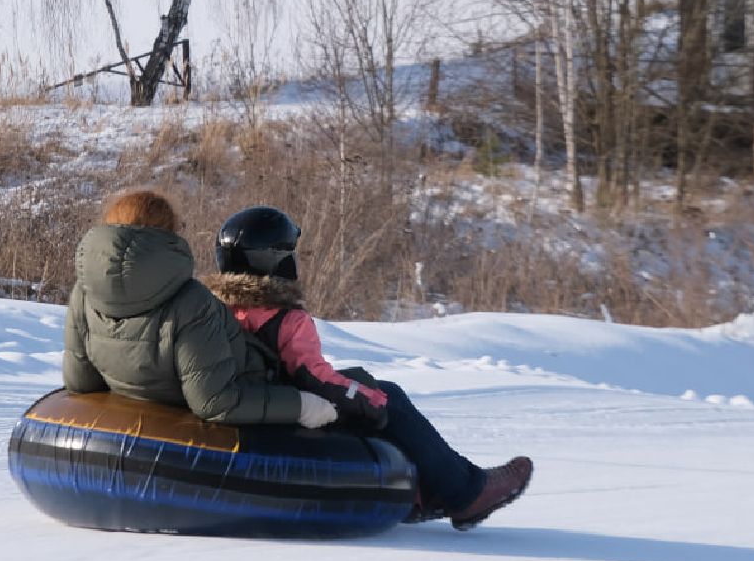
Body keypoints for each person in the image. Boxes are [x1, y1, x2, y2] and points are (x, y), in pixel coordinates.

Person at [204, 205, 534, 531]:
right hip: (286, 406)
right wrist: (368, 400)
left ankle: (428, 491)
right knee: (387, 396)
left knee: (365, 385)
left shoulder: (212, 309)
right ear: (274, 259)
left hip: (251, 397)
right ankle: (466, 493)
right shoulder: (287, 319)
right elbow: (313, 376)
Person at [62, 189, 338, 430]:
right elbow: (215, 401)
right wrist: (302, 405)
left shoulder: (82, 295)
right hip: (254, 385)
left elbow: (80, 382)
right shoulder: (191, 301)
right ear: (166, 238)